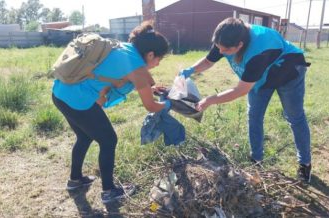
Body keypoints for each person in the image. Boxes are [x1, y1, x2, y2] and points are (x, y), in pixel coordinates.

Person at [180, 18, 311, 183]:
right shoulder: (225, 37)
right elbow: (208, 61)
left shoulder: (260, 51)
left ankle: (305, 164)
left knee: (294, 116)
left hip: (288, 71)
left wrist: (210, 100)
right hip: (261, 77)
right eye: (218, 47)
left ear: (240, 45)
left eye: (225, 50)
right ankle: (256, 160)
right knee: (254, 116)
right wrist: (190, 70)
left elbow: (241, 90)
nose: (219, 52)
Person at [52, 22, 171, 203]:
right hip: (78, 101)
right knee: (109, 140)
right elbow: (151, 106)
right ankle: (109, 191)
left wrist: (151, 87)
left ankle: (75, 181)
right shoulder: (137, 68)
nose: (158, 64)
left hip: (60, 92)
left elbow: (138, 74)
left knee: (84, 137)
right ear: (150, 54)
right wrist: (170, 104)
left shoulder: (124, 48)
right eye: (159, 59)